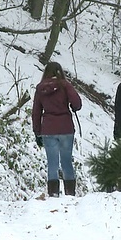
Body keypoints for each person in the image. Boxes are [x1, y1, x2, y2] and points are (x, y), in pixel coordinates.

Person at [32, 62, 82, 197]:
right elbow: (77, 102)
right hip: (66, 127)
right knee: (66, 161)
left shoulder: (40, 88)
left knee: (52, 162)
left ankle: (53, 193)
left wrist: (37, 132)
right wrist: (73, 106)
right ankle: (70, 194)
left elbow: (36, 112)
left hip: (48, 129)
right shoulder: (65, 85)